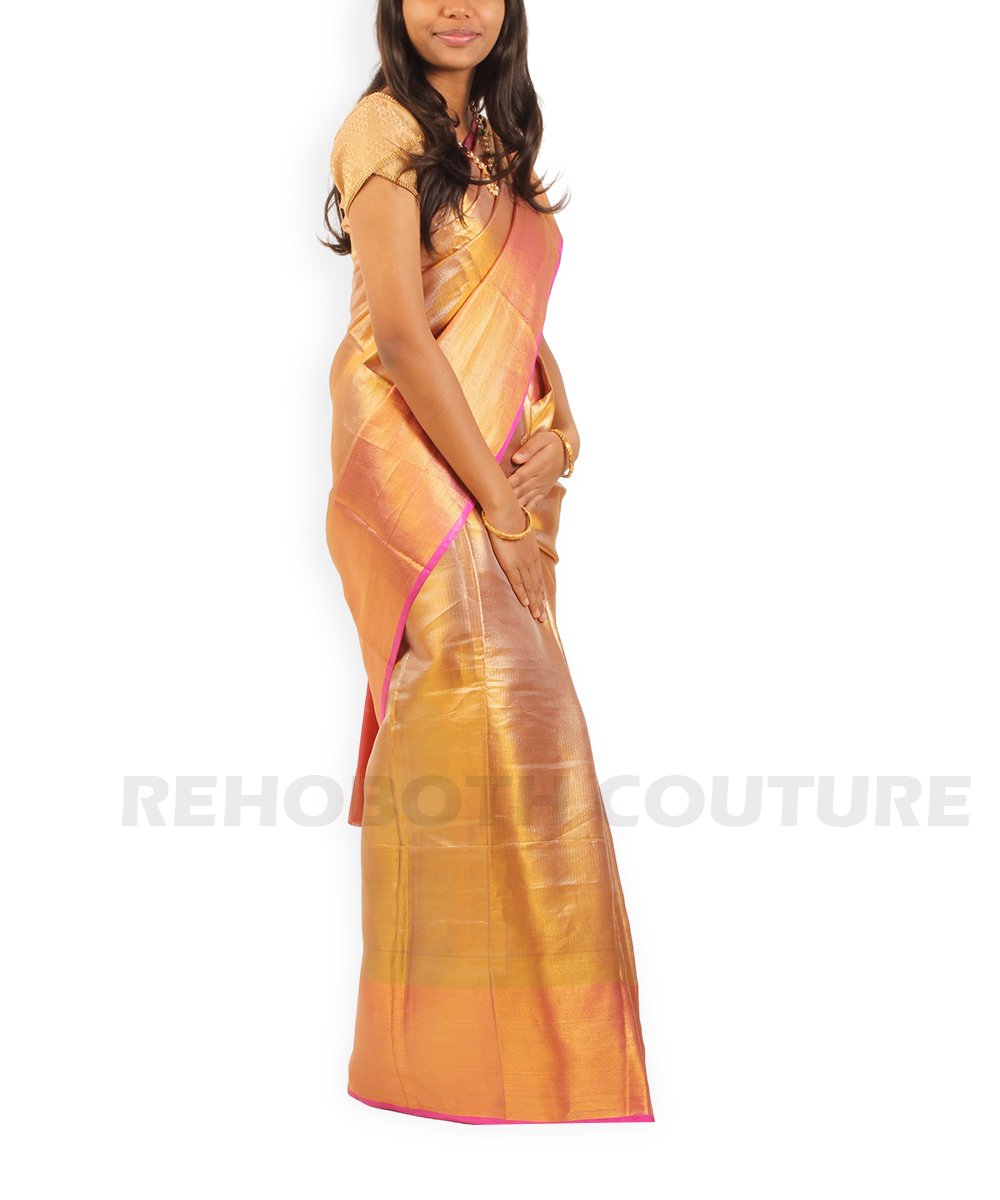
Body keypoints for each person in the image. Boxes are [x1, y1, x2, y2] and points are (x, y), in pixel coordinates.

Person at [321, 0, 654, 1124]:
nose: (456, 6)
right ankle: (436, 1058)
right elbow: (402, 335)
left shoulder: (496, 141)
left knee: (510, 741)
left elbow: (510, 316)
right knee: (487, 709)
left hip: (489, 449)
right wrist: (497, 507)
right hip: (412, 457)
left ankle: (527, 1056)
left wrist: (564, 420)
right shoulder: (382, 126)